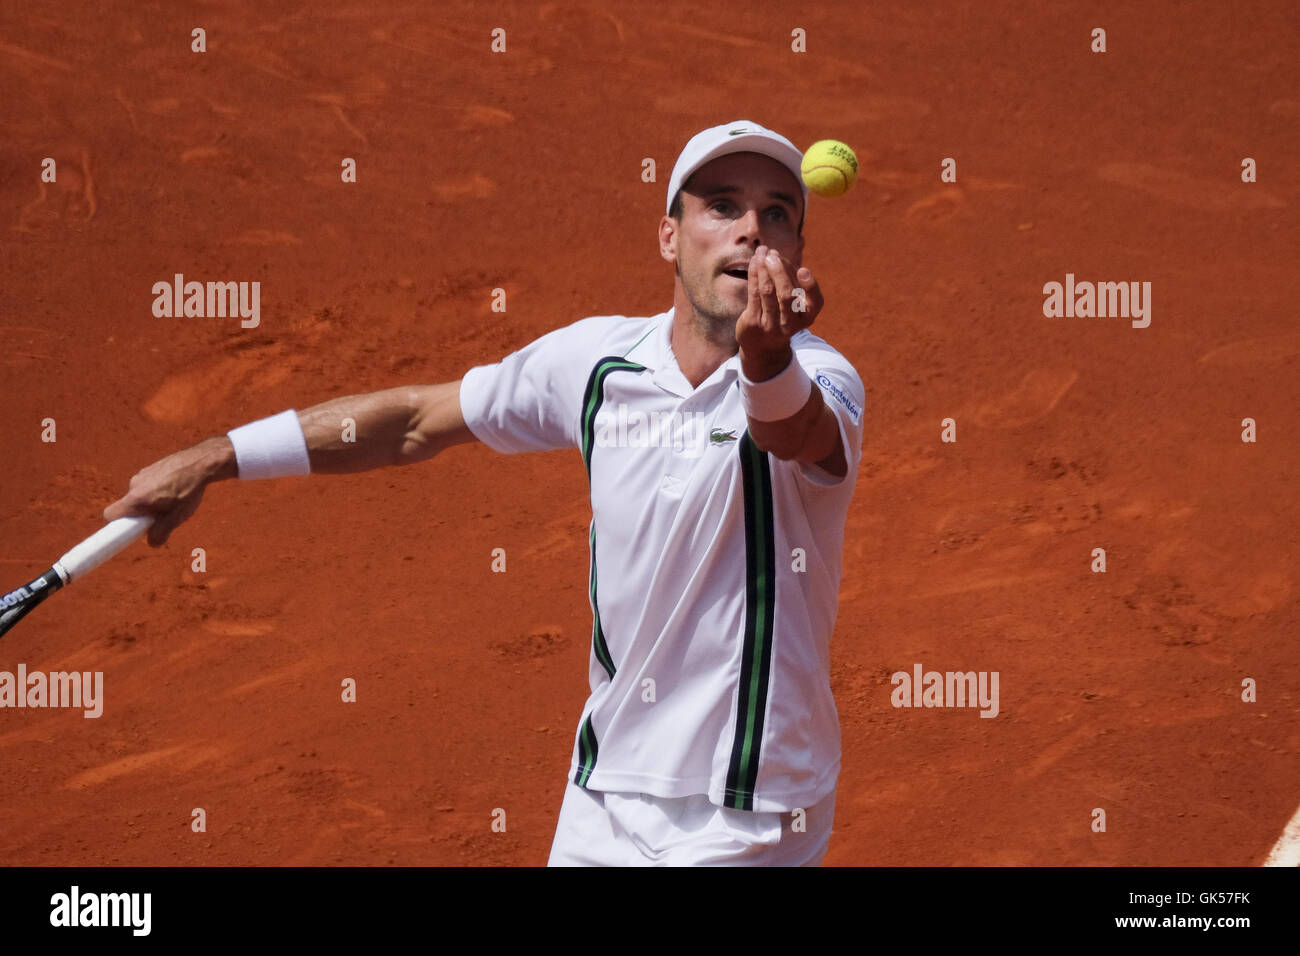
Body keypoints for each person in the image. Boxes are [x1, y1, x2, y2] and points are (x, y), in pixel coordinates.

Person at [104, 120, 866, 866]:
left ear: (798, 253)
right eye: (722, 206)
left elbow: (796, 434)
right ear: (669, 236)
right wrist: (218, 454)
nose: (751, 231)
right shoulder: (598, 364)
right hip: (606, 792)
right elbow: (413, 421)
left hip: (749, 811)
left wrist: (767, 363)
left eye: (777, 215)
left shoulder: (823, 377)